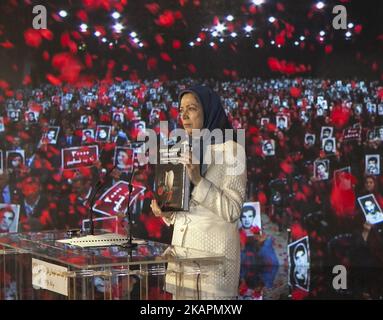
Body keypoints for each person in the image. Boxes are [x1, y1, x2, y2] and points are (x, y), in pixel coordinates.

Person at [151, 85, 247, 299]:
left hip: (213, 267)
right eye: (181, 109)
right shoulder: (182, 148)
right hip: (182, 263)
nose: (184, 115)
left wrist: (198, 180)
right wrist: (166, 212)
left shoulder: (232, 149)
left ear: (208, 110)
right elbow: (186, 210)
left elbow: (232, 211)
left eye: (192, 108)